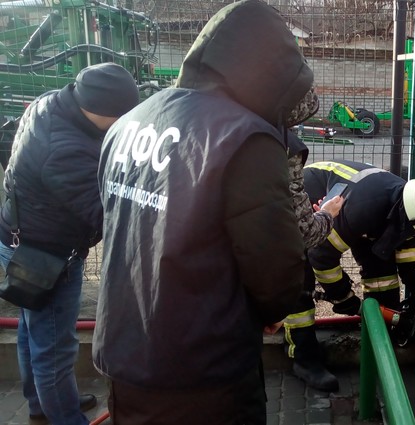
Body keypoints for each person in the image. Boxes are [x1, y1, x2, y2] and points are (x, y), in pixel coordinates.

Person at [92, 1, 309, 424]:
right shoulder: (245, 138)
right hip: (203, 369)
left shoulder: (133, 120)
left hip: (124, 353)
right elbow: (273, 259)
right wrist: (274, 309)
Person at [0, 62, 139, 425]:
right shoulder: (65, 151)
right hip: (45, 257)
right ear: (103, 110)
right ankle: (64, 416)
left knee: (31, 332)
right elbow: (103, 215)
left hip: (20, 239)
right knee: (55, 351)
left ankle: (40, 405)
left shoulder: (52, 103)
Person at [288, 159, 415, 391]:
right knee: (298, 278)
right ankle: (304, 358)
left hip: (361, 206)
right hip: (313, 201)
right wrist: (343, 298)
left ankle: (382, 336)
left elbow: (405, 240)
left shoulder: (409, 204)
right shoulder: (362, 209)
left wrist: (414, 285)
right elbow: (321, 256)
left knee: (382, 275)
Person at [283, 132, 344, 392]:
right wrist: (327, 215)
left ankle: (306, 353)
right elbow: (306, 233)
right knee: (295, 274)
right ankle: (304, 358)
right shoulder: (283, 142)